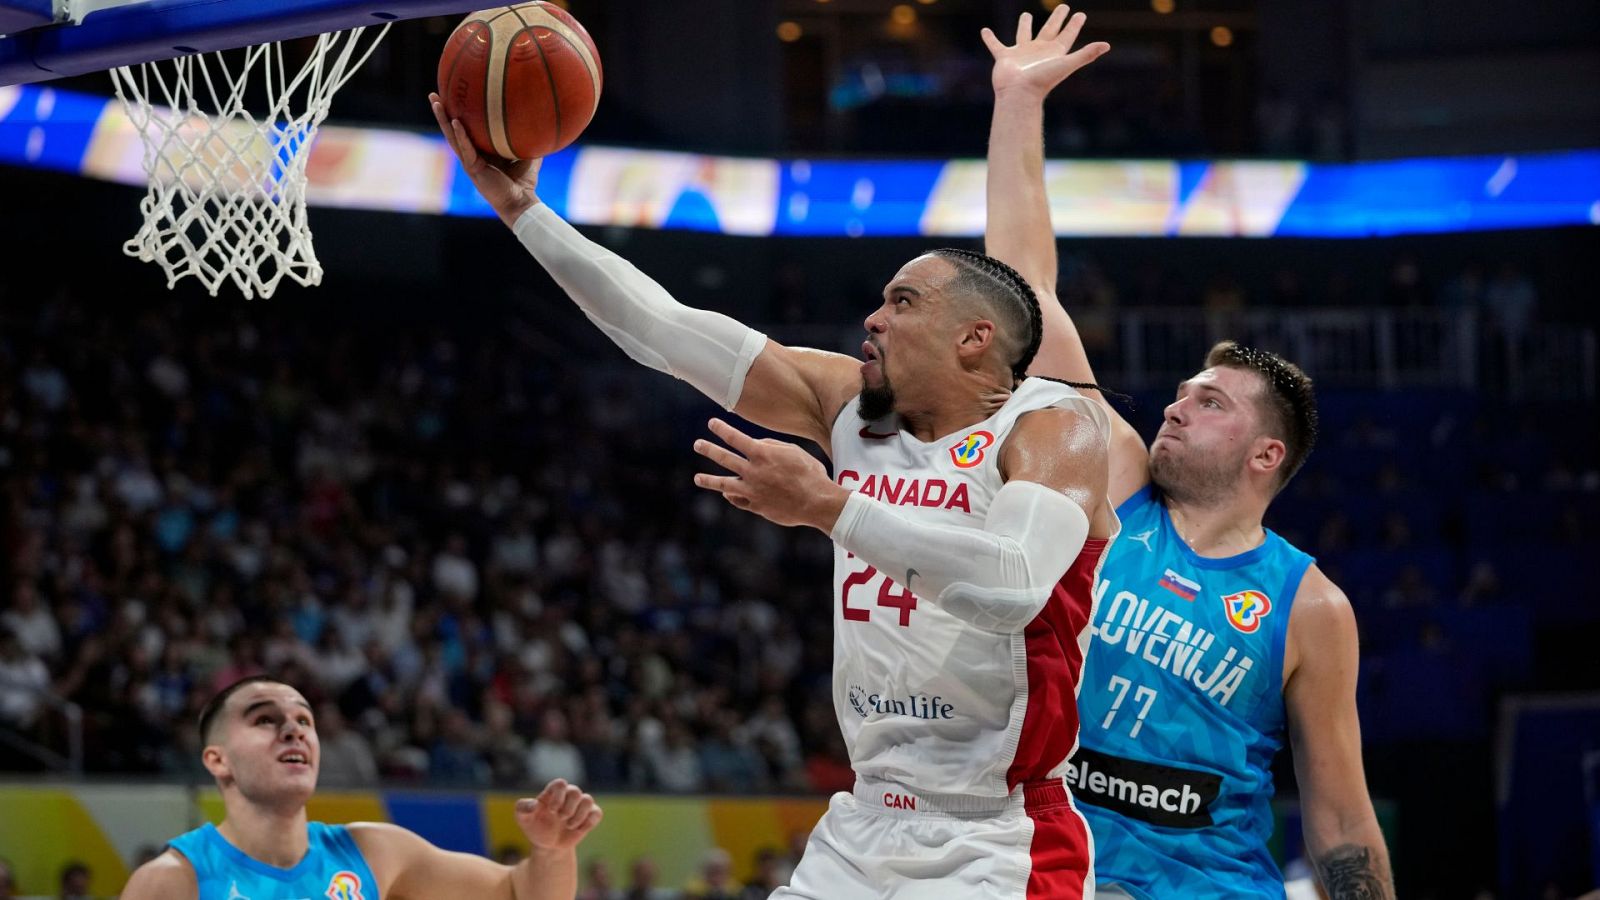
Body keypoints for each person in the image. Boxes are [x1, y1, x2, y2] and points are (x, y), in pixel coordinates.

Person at [430, 11, 1113, 894]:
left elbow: (1013, 583)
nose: (873, 318)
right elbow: (664, 331)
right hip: (865, 822)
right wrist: (525, 212)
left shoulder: (1054, 426)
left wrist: (832, 508)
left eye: (903, 303)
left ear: (975, 339)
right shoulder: (847, 407)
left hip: (1000, 836)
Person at [981, 9, 1395, 898]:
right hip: (1057, 873)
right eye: (1180, 392)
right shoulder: (1117, 477)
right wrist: (1016, 102)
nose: (1175, 404)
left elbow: (1341, 819)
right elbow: (1024, 290)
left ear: (1265, 454)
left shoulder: (1311, 604)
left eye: (1208, 403)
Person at [120, 676, 603, 900]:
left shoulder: (374, 852)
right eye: (266, 720)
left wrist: (553, 853)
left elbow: (521, 894)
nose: (294, 730)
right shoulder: (172, 881)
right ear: (217, 760)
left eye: (303, 720)